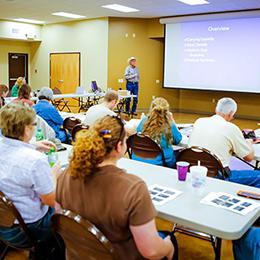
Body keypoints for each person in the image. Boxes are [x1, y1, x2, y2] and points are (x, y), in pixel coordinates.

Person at [56, 116, 177, 260]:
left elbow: (59, 217)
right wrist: (169, 248)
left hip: (78, 253)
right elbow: (151, 251)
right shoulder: (133, 188)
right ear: (119, 147)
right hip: (119, 254)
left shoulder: (66, 174)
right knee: (169, 239)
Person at [0, 102, 63, 258]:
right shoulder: (36, 161)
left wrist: (32, 146)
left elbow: (12, 151)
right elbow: (50, 201)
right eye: (34, 124)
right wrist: (54, 174)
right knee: (67, 211)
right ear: (27, 128)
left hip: (3, 225)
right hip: (29, 230)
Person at [188, 97, 260, 188]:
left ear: (216, 109)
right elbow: (249, 157)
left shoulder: (199, 121)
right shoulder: (231, 128)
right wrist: (249, 141)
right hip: (218, 176)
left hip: (194, 173)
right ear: (230, 114)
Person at [132, 97, 182, 167]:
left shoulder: (143, 121)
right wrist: (172, 120)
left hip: (139, 157)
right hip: (162, 161)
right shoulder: (169, 124)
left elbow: (138, 135)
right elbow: (178, 139)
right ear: (167, 111)